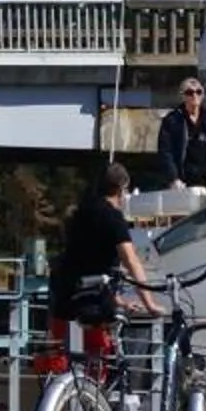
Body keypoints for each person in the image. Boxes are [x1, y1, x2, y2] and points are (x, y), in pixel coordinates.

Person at [46, 163, 152, 381]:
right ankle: (95, 401)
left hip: (64, 295)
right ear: (122, 189)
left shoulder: (80, 213)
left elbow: (85, 262)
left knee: (60, 357)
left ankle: (61, 399)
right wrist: (149, 302)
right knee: (101, 353)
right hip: (93, 301)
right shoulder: (113, 218)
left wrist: (118, 300)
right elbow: (131, 261)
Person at [156, 79, 206, 189]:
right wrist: (173, 178)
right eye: (190, 93)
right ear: (183, 96)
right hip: (182, 183)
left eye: (198, 92)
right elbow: (165, 152)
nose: (195, 95)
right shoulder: (171, 121)